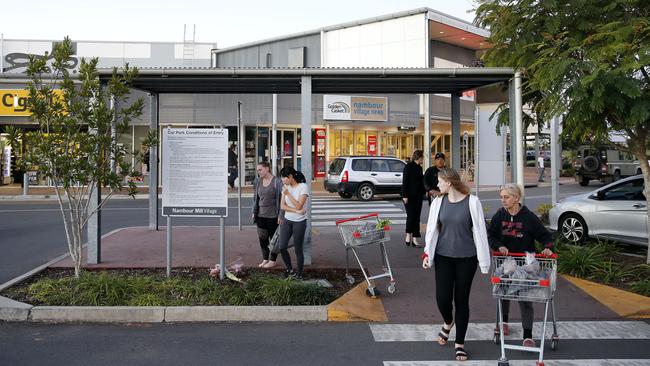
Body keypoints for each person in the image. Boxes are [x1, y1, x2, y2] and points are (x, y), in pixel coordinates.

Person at [422, 168, 491, 362]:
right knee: (442, 298)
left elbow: (479, 231)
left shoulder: (472, 202)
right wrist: (428, 253)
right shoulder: (438, 202)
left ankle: (459, 343)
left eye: (440, 181)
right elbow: (432, 231)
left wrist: (484, 261)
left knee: (461, 300)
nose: (437, 185)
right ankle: (448, 321)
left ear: (449, 183)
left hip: (466, 259)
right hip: (443, 256)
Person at [487, 183, 554, 348]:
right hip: (505, 261)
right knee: (503, 294)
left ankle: (527, 335)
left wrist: (547, 248)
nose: (503, 200)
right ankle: (504, 322)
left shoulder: (528, 217)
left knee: (525, 298)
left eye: (506, 197)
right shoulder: (499, 216)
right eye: (501, 197)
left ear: (516, 198)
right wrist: (498, 246)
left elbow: (545, 236)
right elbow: (490, 235)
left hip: (525, 264)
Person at [278, 166, 309, 279]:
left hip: (299, 222)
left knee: (298, 248)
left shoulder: (303, 187)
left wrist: (288, 194)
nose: (282, 180)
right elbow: (282, 206)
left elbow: (299, 204)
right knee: (282, 247)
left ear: (290, 176)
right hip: (287, 220)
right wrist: (296, 211)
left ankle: (299, 274)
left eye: (284, 178)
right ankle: (290, 269)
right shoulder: (285, 187)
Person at [252, 162, 284, 269]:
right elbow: (255, 199)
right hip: (260, 215)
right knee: (262, 238)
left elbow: (282, 200)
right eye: (258, 170)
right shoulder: (257, 181)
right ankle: (265, 258)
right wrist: (254, 212)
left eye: (260, 169)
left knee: (274, 240)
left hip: (273, 216)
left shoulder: (277, 182)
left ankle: (272, 260)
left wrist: (281, 215)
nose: (258, 172)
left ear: (267, 169)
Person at [401, 150, 425, 248]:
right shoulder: (408, 167)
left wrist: (424, 192)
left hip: (418, 196)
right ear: (418, 158)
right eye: (422, 157)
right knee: (411, 216)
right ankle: (408, 234)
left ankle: (415, 238)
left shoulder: (419, 168)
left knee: (417, 217)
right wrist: (404, 196)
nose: (423, 159)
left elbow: (421, 182)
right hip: (409, 197)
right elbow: (405, 182)